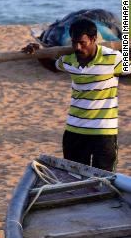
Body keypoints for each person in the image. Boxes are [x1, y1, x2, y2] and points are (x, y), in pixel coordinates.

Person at [23, 19, 129, 171]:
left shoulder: (114, 58)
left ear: (94, 39)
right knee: (75, 179)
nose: (77, 47)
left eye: (82, 43)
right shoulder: (69, 60)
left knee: (105, 181)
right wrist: (38, 52)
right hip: (74, 131)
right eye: (74, 42)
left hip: (104, 132)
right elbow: (52, 66)